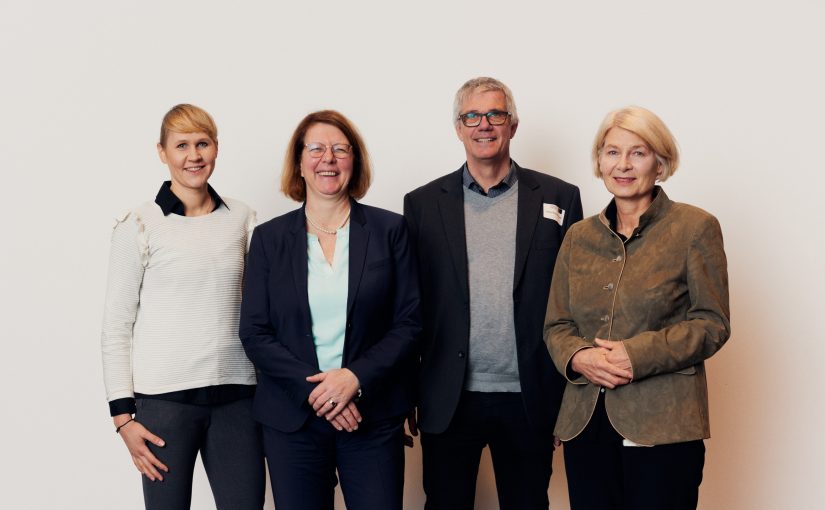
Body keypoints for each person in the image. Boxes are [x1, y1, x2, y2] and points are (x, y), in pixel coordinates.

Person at [403, 77, 583, 510]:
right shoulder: (422, 203)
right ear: (459, 127)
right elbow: (411, 304)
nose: (484, 124)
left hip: (530, 396)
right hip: (449, 396)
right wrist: (409, 390)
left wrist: (570, 395)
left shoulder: (560, 196)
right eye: (472, 116)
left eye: (495, 114)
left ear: (513, 125)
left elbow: (577, 300)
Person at [544, 106, 731, 510]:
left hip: (663, 424)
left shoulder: (694, 228)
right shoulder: (578, 236)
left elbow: (712, 323)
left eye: (638, 153)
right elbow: (556, 324)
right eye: (612, 152)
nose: (623, 165)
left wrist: (636, 354)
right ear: (599, 162)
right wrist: (579, 356)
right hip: (585, 423)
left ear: (660, 164)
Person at [239, 110, 420, 510]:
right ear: (300, 163)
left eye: (340, 149)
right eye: (317, 149)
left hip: (370, 417)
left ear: (354, 161)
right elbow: (255, 332)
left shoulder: (390, 231)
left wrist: (354, 378)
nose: (329, 159)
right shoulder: (269, 239)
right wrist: (320, 392)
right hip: (292, 421)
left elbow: (409, 323)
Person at [100, 104, 264, 509]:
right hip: (163, 404)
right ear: (162, 152)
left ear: (216, 148)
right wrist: (123, 418)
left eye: (203, 143)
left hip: (237, 399)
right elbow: (116, 325)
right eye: (182, 145)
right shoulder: (138, 223)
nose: (194, 156)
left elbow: (261, 310)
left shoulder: (242, 218)